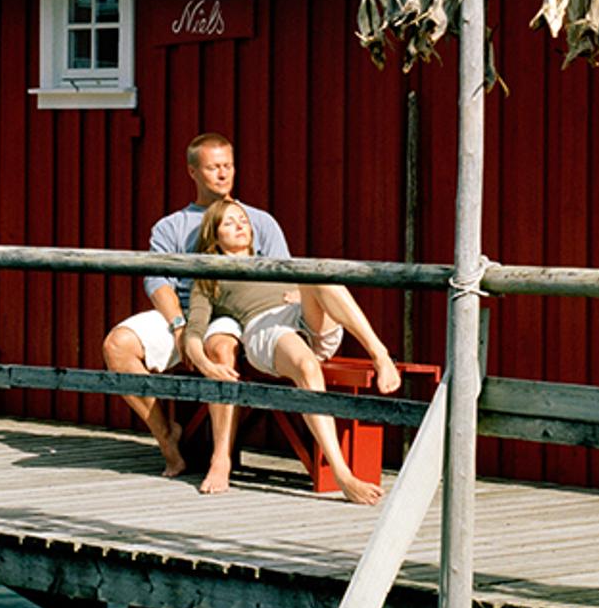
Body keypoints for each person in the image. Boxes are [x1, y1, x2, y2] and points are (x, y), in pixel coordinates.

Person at [176, 190, 397, 503]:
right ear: (214, 236)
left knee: (318, 273)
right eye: (229, 224)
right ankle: (342, 474)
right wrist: (207, 365)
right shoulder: (209, 277)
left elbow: (309, 290)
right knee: (307, 367)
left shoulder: (273, 262)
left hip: (303, 319)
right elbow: (193, 334)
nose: (240, 226)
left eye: (243, 221)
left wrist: (299, 290)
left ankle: (379, 353)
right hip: (266, 329)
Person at [99, 134, 246, 480]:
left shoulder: (253, 220)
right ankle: (168, 441)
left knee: (221, 349)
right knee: (116, 345)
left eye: (228, 166)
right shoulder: (171, 226)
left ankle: (220, 459)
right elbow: (156, 279)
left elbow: (281, 274)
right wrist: (179, 324)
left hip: (230, 315)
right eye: (213, 167)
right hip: (181, 311)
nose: (223, 174)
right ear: (193, 172)